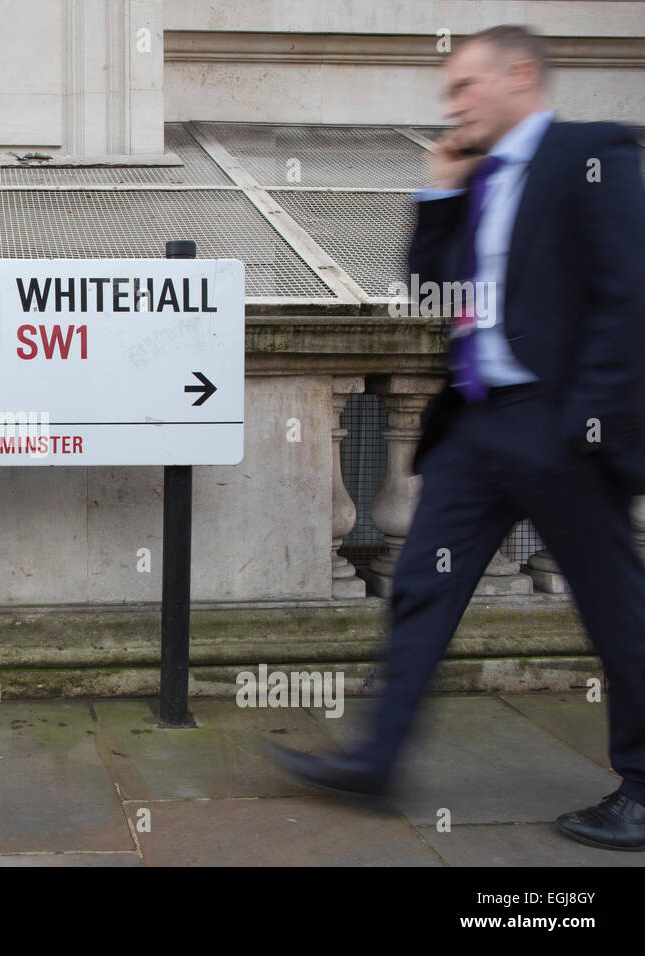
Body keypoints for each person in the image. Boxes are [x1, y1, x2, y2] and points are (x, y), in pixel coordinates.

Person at [267, 24, 645, 850]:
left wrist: (583, 420)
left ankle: (643, 787)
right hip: (477, 428)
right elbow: (433, 292)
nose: (456, 103)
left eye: (467, 86)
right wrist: (438, 193)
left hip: (562, 429)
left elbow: (627, 297)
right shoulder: (479, 179)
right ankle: (375, 760)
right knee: (420, 591)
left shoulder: (596, 153)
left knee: (616, 608)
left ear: (520, 74)